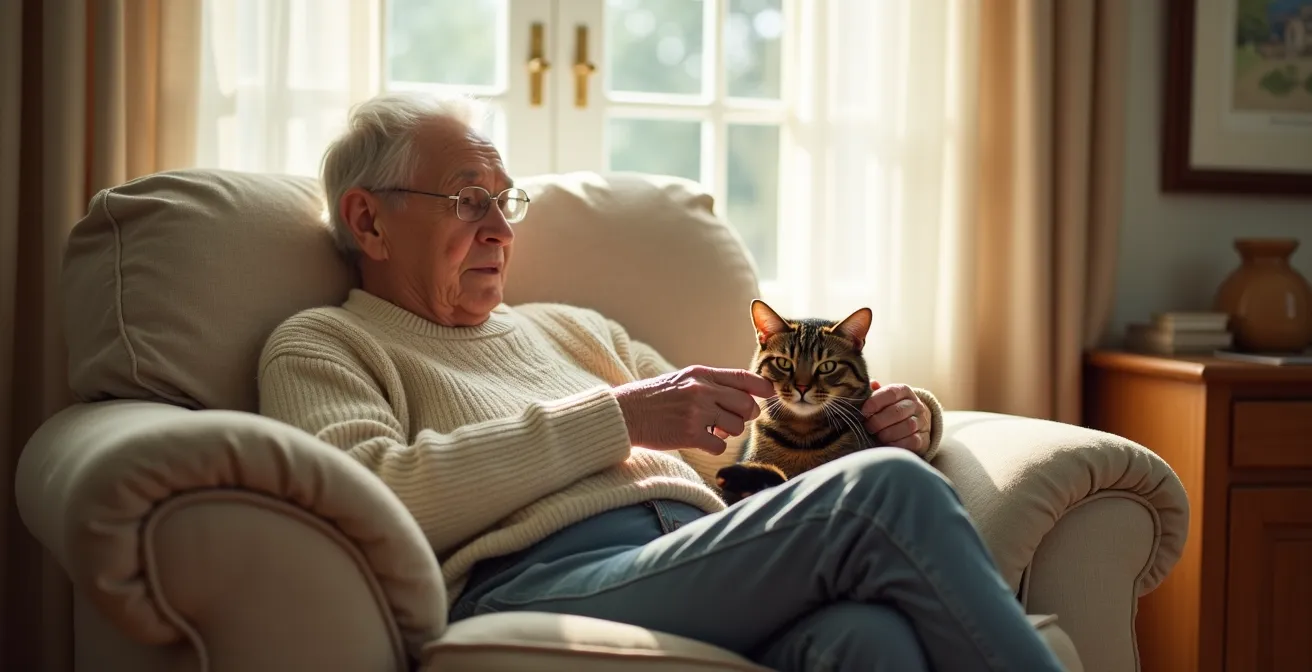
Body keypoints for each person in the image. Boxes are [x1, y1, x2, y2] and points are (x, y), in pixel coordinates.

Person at [257, 91, 1065, 672]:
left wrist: (904, 414)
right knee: (886, 493)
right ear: (368, 221)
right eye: (471, 201)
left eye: (507, 202)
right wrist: (617, 418)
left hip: (689, 556)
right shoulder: (325, 343)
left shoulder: (572, 329)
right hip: (533, 584)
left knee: (867, 640)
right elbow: (365, 502)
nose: (503, 230)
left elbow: (737, 440)